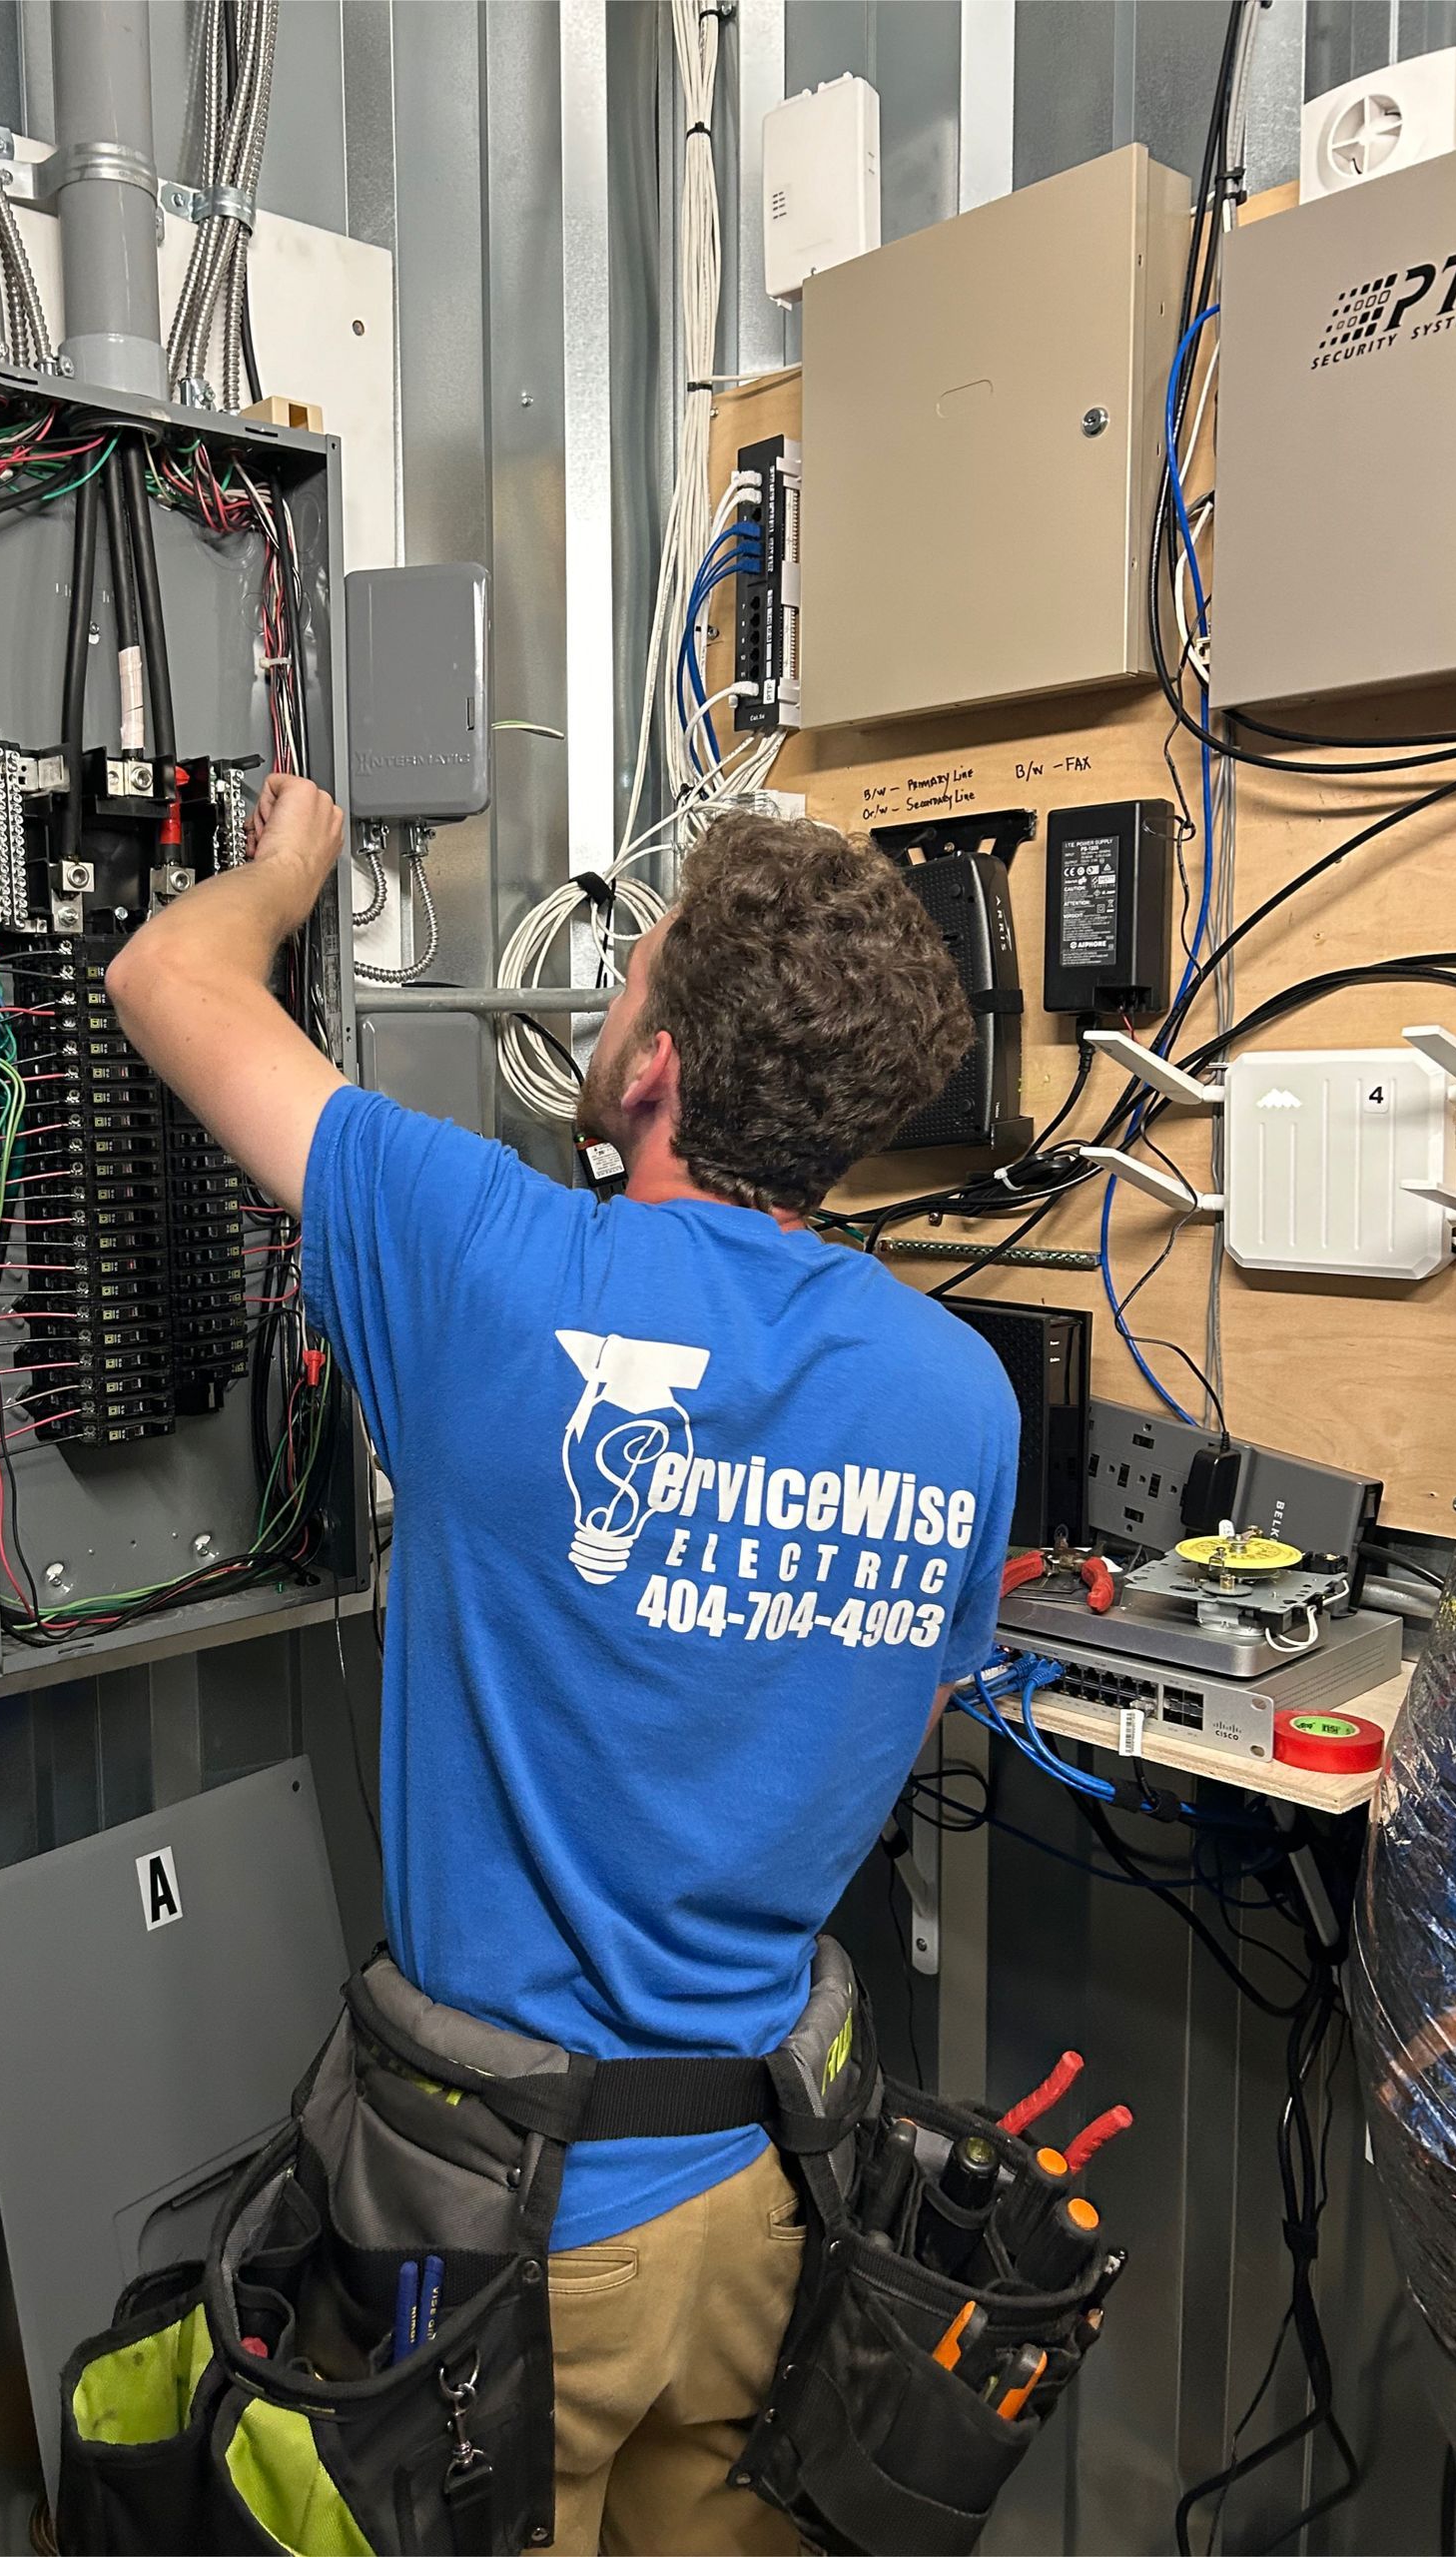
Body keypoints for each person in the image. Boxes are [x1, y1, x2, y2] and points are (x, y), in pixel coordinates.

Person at [106, 774, 1020, 2557]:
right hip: (774, 2205)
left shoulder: (497, 1269)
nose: (603, 1010)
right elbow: (882, 1722)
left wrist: (291, 867)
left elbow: (163, 981)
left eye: (632, 979)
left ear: (663, 1067)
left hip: (521, 2239)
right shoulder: (956, 1397)